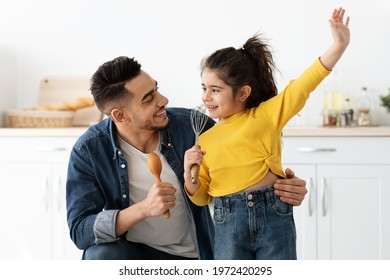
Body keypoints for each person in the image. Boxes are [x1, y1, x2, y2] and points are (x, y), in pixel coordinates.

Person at [66, 55, 309, 260]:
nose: (163, 100)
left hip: (195, 256)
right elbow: (80, 231)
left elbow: (240, 169)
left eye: (156, 89)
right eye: (148, 98)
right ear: (120, 115)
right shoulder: (89, 150)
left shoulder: (192, 127)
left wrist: (277, 185)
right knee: (100, 256)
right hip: (134, 257)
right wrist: (143, 209)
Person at [183, 7, 350, 260]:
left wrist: (338, 45)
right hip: (228, 221)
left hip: (274, 216)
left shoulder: (266, 115)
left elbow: (304, 85)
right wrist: (190, 177)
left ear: (243, 93)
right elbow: (203, 196)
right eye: (204, 87)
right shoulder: (204, 140)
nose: (206, 96)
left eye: (215, 89)